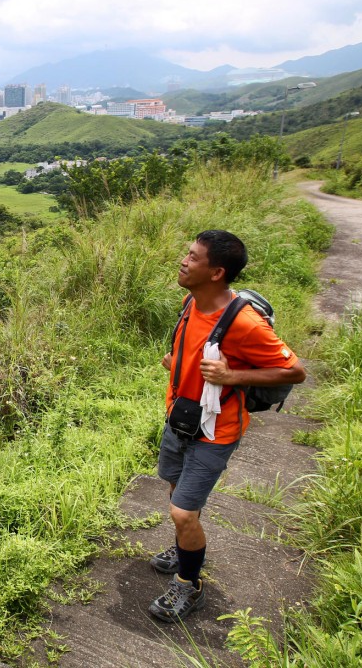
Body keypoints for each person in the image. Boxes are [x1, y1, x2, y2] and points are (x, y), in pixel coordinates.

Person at [148, 230, 306, 623]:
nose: (184, 261)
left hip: (215, 431)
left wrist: (231, 375)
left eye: (193, 257)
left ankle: (189, 584)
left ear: (216, 272)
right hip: (180, 419)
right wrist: (177, 368)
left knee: (183, 512)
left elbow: (295, 371)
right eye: (187, 253)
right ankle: (183, 548)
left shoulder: (245, 323)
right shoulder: (191, 302)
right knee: (176, 494)